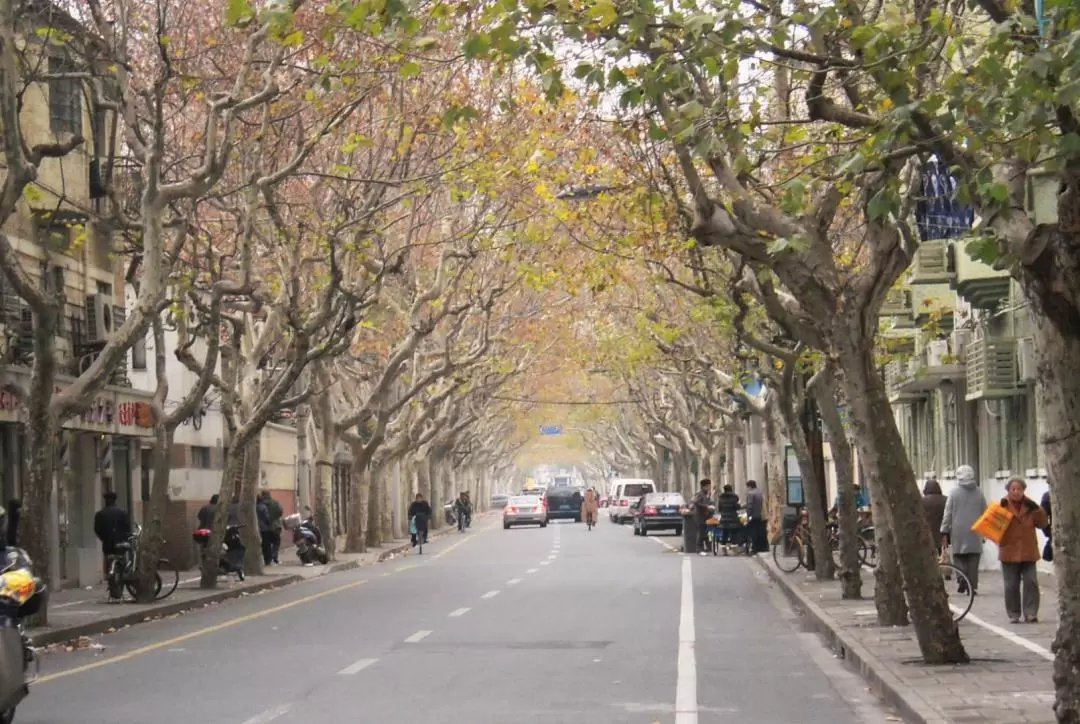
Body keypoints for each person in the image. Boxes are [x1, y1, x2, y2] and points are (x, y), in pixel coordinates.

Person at [998, 478, 1049, 623]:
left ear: (1023, 490)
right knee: (1011, 585)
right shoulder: (1001, 505)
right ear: (1008, 490)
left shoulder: (1030, 506)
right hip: (1008, 550)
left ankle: (1031, 612)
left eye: (1019, 489)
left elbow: (1042, 523)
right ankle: (1013, 614)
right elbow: (991, 527)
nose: (1016, 492)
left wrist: (1038, 510)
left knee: (1031, 582)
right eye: (1013, 489)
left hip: (1028, 550)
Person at [940, 464, 987, 594]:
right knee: (973, 559)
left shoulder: (954, 493)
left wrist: (944, 529)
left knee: (958, 556)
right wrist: (985, 531)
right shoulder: (979, 492)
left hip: (958, 530)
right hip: (975, 530)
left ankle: (961, 578)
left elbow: (947, 513)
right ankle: (971, 587)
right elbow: (985, 512)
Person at [93, 491, 132, 576]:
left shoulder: (100, 514)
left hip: (107, 544)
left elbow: (97, 530)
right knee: (123, 556)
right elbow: (128, 528)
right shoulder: (123, 513)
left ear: (105, 501)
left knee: (108, 557)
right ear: (115, 500)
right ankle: (123, 573)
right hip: (120, 543)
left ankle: (109, 573)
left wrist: (104, 538)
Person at [921, 479, 947, 551]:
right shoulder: (945, 500)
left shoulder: (922, 501)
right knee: (941, 554)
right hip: (942, 534)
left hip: (927, 533)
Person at [715, 484, 742, 551]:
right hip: (733, 517)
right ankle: (733, 544)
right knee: (734, 531)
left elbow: (719, 508)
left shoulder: (721, 498)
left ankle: (723, 544)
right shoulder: (734, 497)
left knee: (725, 531)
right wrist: (739, 505)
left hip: (724, 518)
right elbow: (737, 507)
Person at [260, 490, 284, 564]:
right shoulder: (275, 503)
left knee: (265, 544)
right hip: (275, 526)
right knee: (276, 542)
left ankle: (267, 560)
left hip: (263, 527)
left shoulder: (260, 504)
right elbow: (280, 512)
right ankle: (274, 556)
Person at [691, 479, 713, 556]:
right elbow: (696, 502)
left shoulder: (705, 494)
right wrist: (707, 506)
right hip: (699, 516)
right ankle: (699, 549)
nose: (709, 487)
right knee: (700, 533)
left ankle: (705, 547)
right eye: (708, 486)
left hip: (704, 516)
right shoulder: (700, 494)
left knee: (704, 533)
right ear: (704, 486)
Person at [744, 480, 767, 553]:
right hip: (762, 515)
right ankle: (763, 547)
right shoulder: (760, 492)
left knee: (753, 532)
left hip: (754, 516)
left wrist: (748, 515)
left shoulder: (750, 494)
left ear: (749, 486)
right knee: (762, 531)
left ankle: (755, 547)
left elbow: (750, 506)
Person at [256, 494, 273, 566]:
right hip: (264, 528)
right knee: (266, 544)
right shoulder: (263, 507)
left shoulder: (254, 507)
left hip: (256, 527)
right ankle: (267, 560)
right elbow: (267, 518)